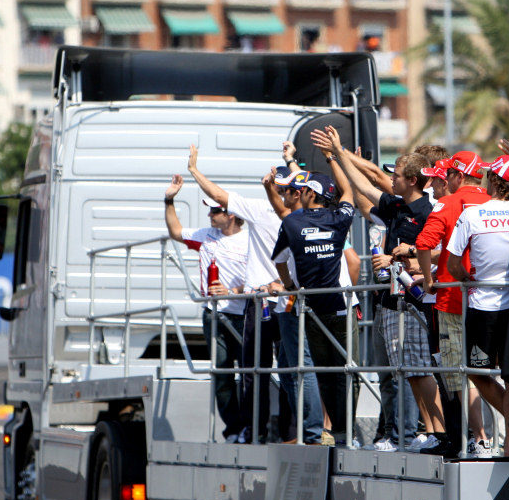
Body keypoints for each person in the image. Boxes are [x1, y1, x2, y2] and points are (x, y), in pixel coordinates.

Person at [312, 131, 442, 452]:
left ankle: (414, 434)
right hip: (386, 300)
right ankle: (398, 435)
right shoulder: (396, 207)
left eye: (396, 176)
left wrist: (404, 254)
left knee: (413, 370)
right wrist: (337, 155)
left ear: (412, 180)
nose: (390, 180)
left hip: (413, 303)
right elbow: (363, 187)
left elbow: (438, 251)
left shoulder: (428, 213)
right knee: (393, 373)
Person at [187, 147, 304, 444]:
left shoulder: (279, 211)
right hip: (275, 301)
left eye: (286, 186)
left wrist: (195, 172)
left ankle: (272, 431)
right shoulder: (294, 213)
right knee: (276, 370)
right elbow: (220, 197)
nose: (285, 191)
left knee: (271, 370)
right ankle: (273, 431)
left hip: (277, 301)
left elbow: (220, 194)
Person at [272, 128, 359, 445]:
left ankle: (316, 432)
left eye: (304, 189)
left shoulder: (292, 222)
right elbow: (347, 192)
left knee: (313, 371)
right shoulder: (339, 218)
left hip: (309, 307)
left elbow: (280, 260)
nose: (299, 192)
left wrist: (291, 285)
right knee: (345, 371)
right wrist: (332, 158)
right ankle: (343, 432)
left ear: (310, 195)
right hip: (339, 305)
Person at [415, 151, 493, 457]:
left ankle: (482, 438)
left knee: (461, 374)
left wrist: (428, 279)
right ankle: (500, 438)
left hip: (452, 301)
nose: (442, 181)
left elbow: (424, 244)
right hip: (493, 302)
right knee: (488, 372)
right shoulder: (495, 202)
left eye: (447, 175)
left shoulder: (447, 204)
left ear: (459, 176)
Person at [446, 154, 509, 457]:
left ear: (493, 180)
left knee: (478, 373)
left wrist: (465, 277)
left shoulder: (473, 215)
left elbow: (453, 264)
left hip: (481, 307)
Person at [163, 174, 248, 443]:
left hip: (245, 315)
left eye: (215, 210)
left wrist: (233, 291)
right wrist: (169, 200)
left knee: (250, 375)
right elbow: (176, 232)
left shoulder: (250, 240)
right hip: (214, 315)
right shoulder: (206, 236)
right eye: (209, 209)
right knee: (222, 376)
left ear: (231, 214)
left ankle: (251, 427)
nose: (210, 215)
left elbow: (264, 280)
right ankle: (234, 429)